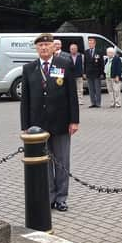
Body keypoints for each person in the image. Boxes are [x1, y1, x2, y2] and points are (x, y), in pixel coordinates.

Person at [20, 33, 79, 212]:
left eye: (47, 45)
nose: (44, 48)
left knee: (61, 162)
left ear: (53, 47)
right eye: (40, 46)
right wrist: (25, 127)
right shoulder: (29, 69)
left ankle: (61, 198)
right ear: (36, 49)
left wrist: (74, 121)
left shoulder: (64, 64)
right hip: (38, 126)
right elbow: (25, 101)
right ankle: (49, 196)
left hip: (61, 122)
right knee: (43, 162)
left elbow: (72, 95)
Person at [83, 37, 103, 108]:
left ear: (94, 43)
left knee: (97, 89)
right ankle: (93, 103)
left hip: (97, 73)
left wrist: (101, 73)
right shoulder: (86, 52)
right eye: (89, 43)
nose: (90, 44)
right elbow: (85, 63)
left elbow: (101, 63)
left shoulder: (99, 52)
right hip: (89, 73)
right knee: (91, 89)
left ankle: (98, 103)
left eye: (91, 43)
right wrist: (84, 73)